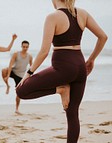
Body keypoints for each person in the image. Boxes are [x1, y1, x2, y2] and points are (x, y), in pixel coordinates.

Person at [16, 0, 107, 142]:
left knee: (21, 91)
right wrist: (91, 60)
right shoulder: (83, 13)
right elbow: (103, 37)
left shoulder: (53, 17)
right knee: (72, 114)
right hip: (80, 66)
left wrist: (29, 73)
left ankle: (60, 89)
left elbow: (44, 51)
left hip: (64, 67)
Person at [2, 40, 32, 114]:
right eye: (24, 46)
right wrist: (8, 76)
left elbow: (32, 67)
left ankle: (17, 109)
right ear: (21, 46)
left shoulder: (29, 56)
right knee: (4, 70)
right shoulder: (16, 54)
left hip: (20, 76)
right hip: (13, 71)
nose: (25, 48)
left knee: (18, 93)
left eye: (26, 47)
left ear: (28, 47)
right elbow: (10, 64)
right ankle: (7, 86)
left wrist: (30, 77)